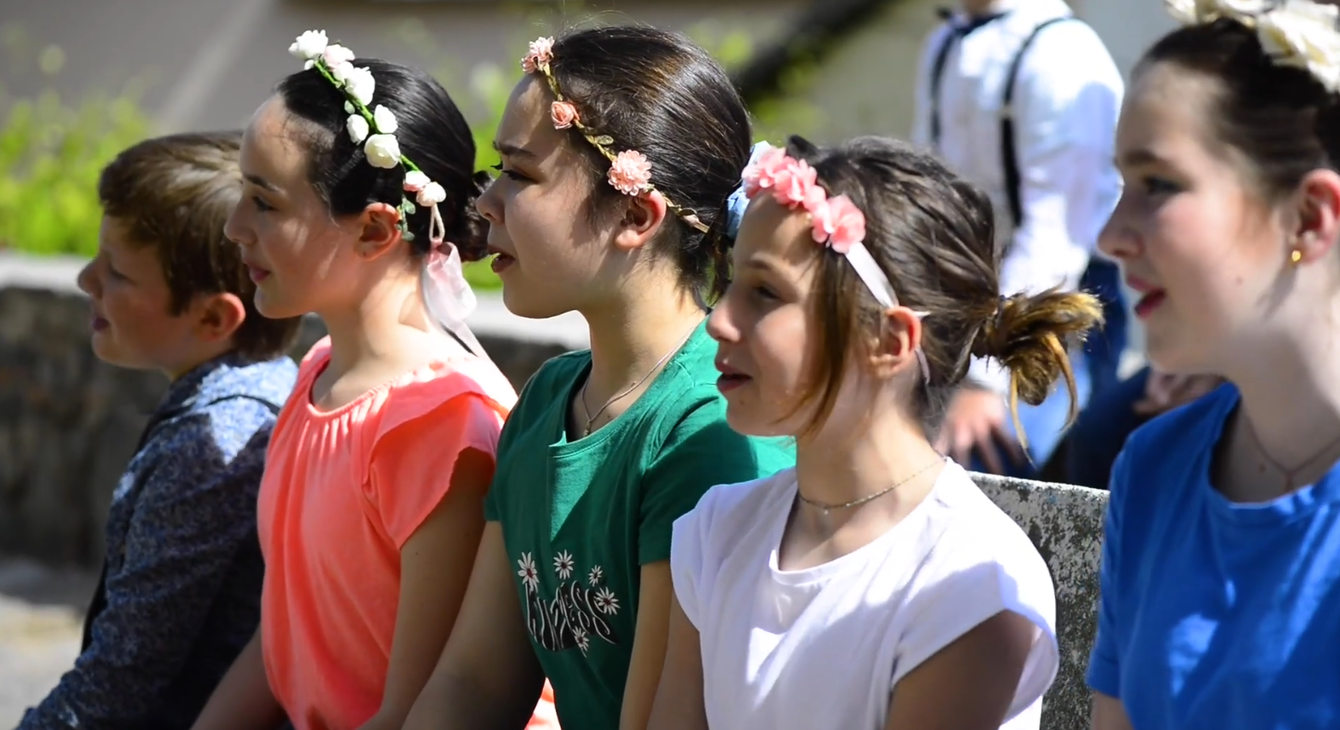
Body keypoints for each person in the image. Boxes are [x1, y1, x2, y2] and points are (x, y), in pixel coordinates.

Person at [401, 27, 795, 730]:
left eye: (519, 175)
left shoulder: (710, 429)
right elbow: (473, 682)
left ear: (635, 213)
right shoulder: (547, 402)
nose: (485, 203)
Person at [648, 137, 1098, 730]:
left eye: (765, 293)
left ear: (889, 342)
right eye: (730, 286)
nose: (722, 321)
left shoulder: (969, 583)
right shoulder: (717, 533)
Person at [190, 33, 553, 730]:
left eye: (265, 203)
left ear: (375, 231)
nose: (235, 228)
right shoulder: (320, 370)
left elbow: (422, 707)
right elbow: (285, 629)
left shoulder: (439, 424)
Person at [1089, 1, 1340, 727]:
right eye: (1119, 185)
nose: (1111, 236)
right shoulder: (1155, 466)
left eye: (1158, 184)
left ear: (1310, 217)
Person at [19, 132, 302, 730]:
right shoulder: (263, 388)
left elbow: (126, 672)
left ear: (212, 316)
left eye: (117, 273)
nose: (85, 281)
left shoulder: (213, 446)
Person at [911, 0, 1124, 476]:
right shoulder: (946, 41)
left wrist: (984, 385)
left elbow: (1056, 237)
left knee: (999, 462)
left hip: (1059, 301)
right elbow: (927, 193)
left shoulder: (1061, 53)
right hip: (968, 293)